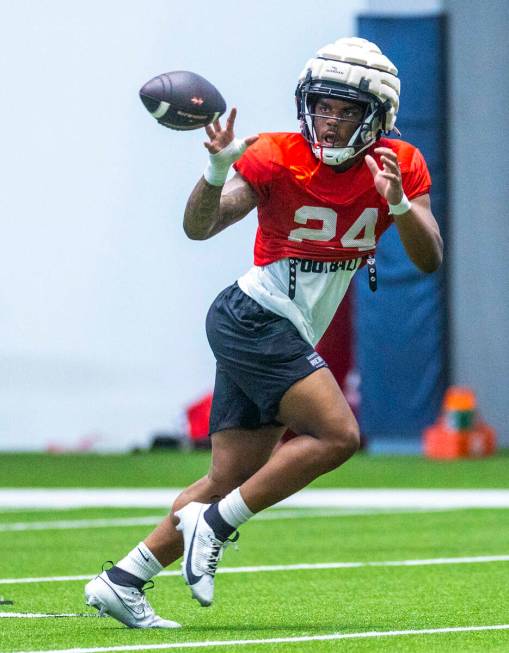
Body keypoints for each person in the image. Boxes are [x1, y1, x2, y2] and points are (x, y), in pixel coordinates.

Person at [84, 37, 443, 628]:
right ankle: (217, 523)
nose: (329, 120)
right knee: (338, 436)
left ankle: (123, 580)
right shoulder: (276, 153)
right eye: (323, 106)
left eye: (346, 109)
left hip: (284, 326)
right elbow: (200, 226)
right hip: (253, 316)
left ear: (376, 115)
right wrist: (215, 168)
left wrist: (401, 206)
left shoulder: (397, 165)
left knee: (228, 478)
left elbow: (429, 260)